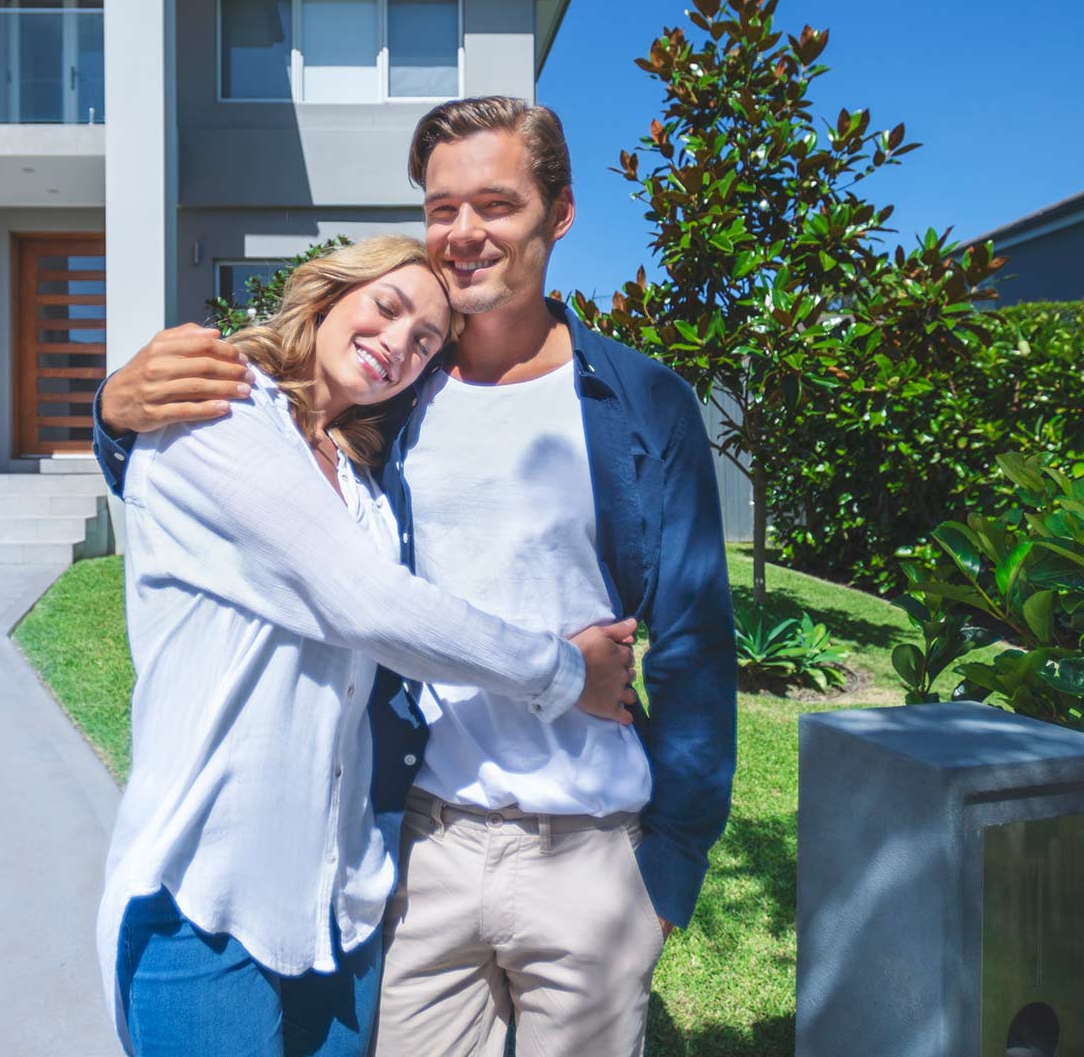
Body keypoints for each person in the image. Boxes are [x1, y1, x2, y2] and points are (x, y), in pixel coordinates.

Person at [97, 97, 736, 1056]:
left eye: (497, 204)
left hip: (591, 848)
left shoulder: (640, 401)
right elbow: (270, 511)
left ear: (558, 214)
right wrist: (113, 415)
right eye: (442, 208)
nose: (465, 233)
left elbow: (692, 635)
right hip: (424, 844)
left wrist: (672, 867)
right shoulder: (395, 400)